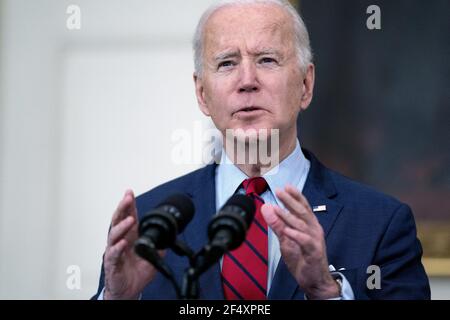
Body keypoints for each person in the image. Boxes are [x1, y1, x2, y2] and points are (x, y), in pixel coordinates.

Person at [93, 0, 430, 300]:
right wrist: (117, 298)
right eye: (226, 63)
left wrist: (327, 293)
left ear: (306, 85)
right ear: (201, 93)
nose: (247, 80)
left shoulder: (381, 223)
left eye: (267, 59)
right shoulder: (148, 219)